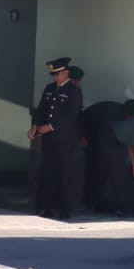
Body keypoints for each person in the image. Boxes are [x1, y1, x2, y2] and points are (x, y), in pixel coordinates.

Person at [29, 57, 83, 220]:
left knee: (65, 174)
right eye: (53, 74)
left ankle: (65, 209)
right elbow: (41, 110)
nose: (55, 77)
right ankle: (46, 207)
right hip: (49, 139)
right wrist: (35, 126)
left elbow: (72, 116)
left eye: (57, 74)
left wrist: (51, 126)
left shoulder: (74, 91)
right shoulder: (49, 88)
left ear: (66, 72)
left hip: (65, 139)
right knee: (47, 173)